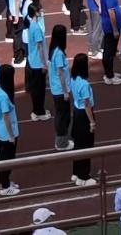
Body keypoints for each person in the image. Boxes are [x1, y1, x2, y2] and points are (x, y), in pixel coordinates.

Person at [69, 53, 97, 186]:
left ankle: (76, 173)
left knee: (78, 144)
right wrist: (92, 122)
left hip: (76, 113)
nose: (89, 64)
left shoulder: (73, 79)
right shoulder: (84, 84)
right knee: (86, 145)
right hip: (84, 116)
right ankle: (83, 177)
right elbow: (87, 105)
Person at [0, 64, 19, 195]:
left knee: (4, 158)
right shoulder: (4, 96)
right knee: (7, 159)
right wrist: (11, 135)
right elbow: (6, 116)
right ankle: (5, 187)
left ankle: (6, 182)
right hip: (6, 134)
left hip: (1, 132)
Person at [48, 24, 73, 152]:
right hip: (60, 91)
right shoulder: (58, 54)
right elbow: (60, 73)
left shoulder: (54, 50)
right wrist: (65, 92)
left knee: (63, 115)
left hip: (57, 89)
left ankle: (62, 140)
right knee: (63, 116)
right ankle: (61, 142)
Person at [25, 3, 49, 121]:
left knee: (35, 88)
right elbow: (40, 47)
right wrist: (44, 64)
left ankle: (37, 110)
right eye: (40, 10)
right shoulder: (37, 28)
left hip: (32, 61)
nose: (41, 11)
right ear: (36, 12)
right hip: (38, 63)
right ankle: (39, 111)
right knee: (39, 89)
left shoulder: (31, 26)